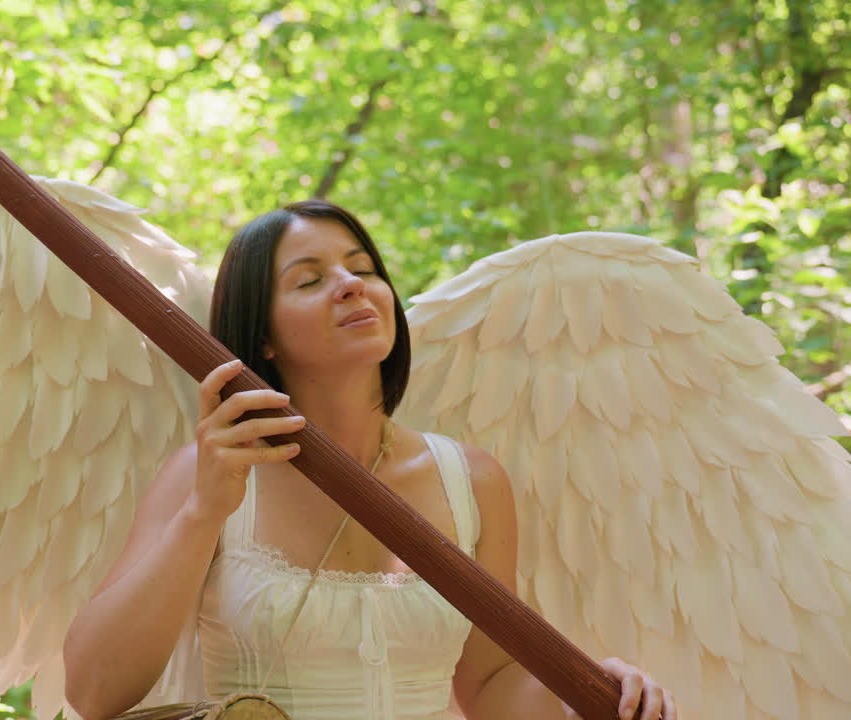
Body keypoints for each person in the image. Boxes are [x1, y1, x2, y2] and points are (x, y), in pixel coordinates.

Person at [62, 200, 678, 720]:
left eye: (362, 268)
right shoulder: (213, 473)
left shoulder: (472, 482)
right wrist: (203, 513)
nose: (352, 284)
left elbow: (489, 684)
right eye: (310, 280)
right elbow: (94, 693)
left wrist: (589, 693)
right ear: (264, 336)